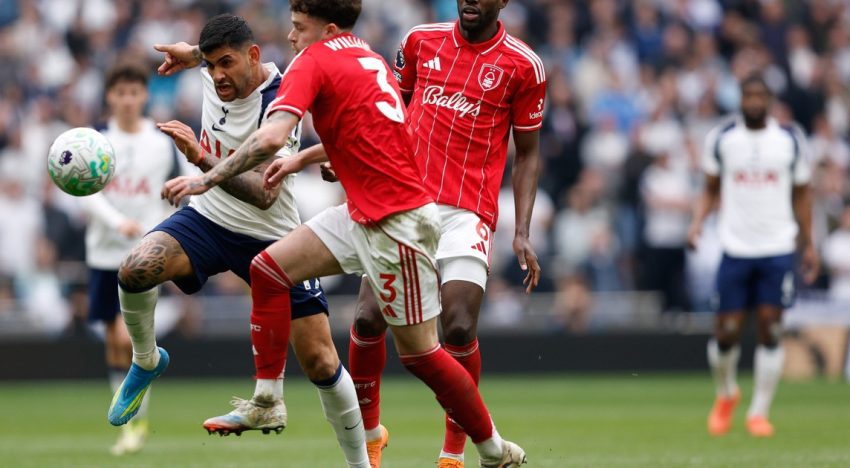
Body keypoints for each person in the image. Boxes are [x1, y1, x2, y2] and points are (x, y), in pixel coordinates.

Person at [160, 1, 526, 466]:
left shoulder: (312, 60)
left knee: (421, 355)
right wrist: (306, 158)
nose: (291, 37)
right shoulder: (367, 57)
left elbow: (270, 138)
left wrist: (205, 176)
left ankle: (492, 450)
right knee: (269, 270)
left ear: (326, 28)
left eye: (298, 27)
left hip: (396, 223)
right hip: (365, 210)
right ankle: (268, 399)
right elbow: (378, 134)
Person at [106, 14, 369, 467]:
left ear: (253, 57)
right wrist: (188, 55)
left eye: (225, 64)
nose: (217, 76)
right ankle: (147, 360)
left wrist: (199, 159)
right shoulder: (214, 69)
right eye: (210, 66)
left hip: (272, 234)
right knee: (135, 268)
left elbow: (266, 195)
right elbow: (205, 56)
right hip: (208, 221)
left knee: (321, 361)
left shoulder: (282, 101)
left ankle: (360, 464)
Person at [342, 0, 546, 465]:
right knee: (368, 318)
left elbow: (528, 152)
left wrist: (521, 231)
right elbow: (390, 110)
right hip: (404, 202)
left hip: (467, 212)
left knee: (457, 325)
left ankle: (452, 453)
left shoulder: (524, 65)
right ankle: (371, 435)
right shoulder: (419, 41)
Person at [688, 74, 819, 438]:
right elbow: (710, 188)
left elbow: (803, 194)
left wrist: (808, 243)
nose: (755, 101)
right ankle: (727, 393)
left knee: (770, 328)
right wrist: (697, 222)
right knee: (726, 331)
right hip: (736, 246)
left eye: (761, 95)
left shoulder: (789, 140)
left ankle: (759, 412)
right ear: (741, 99)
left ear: (770, 100)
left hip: (778, 247)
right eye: (749, 95)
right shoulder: (723, 139)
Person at [81, 62, 178, 456]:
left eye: (133, 92)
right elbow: (84, 192)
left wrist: (166, 229)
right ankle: (130, 422)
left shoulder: (161, 141)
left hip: (144, 254)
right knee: (114, 343)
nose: (126, 100)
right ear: (109, 96)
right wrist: (116, 221)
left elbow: (181, 187)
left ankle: (136, 422)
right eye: (119, 92)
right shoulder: (94, 142)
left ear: (144, 95)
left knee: (130, 337)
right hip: (103, 252)